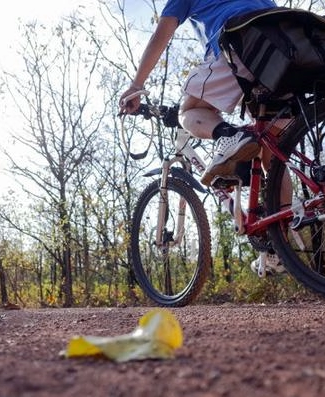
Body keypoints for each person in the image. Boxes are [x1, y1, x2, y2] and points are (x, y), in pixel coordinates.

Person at [118, 0, 287, 275]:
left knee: (190, 110)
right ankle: (281, 247)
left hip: (243, 43)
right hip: (286, 54)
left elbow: (162, 33)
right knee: (272, 154)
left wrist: (137, 85)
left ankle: (227, 135)